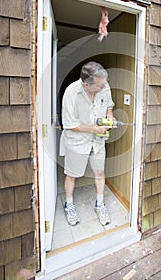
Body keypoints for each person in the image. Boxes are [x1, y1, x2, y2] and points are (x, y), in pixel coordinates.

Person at [61, 61, 114, 226]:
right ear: (86, 84)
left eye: (104, 83)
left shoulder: (104, 85)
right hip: (77, 142)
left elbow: (109, 106)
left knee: (100, 173)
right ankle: (69, 205)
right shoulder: (71, 93)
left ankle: (100, 204)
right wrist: (94, 129)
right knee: (72, 174)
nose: (103, 86)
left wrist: (109, 116)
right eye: (99, 85)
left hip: (97, 142)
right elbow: (70, 124)